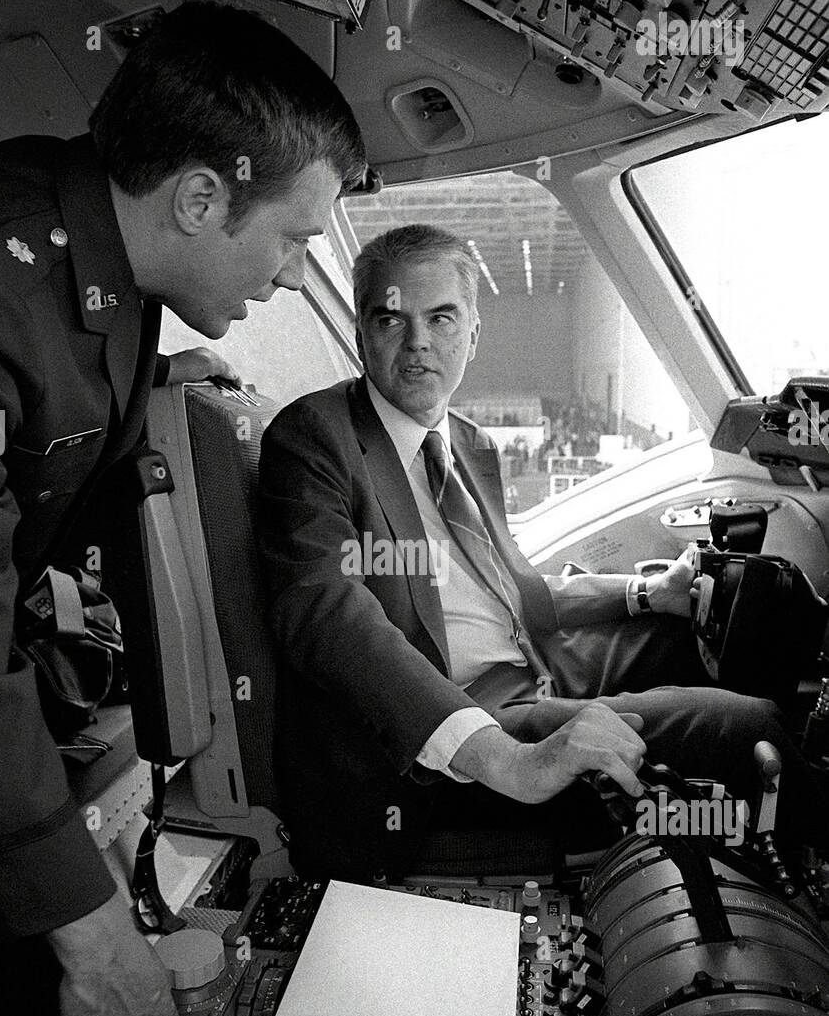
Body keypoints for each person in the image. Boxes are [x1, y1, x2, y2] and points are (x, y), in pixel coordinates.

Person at [0, 0, 366, 1016]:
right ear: (199, 199)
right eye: (291, 240)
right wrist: (89, 930)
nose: (296, 279)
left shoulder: (122, 279)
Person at [258, 224, 826, 880]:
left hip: (532, 664)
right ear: (361, 333)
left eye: (441, 318)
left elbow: (519, 590)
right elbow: (324, 609)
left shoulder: (468, 442)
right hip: (453, 720)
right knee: (739, 726)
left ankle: (764, 834)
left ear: (472, 334)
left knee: (712, 637)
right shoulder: (314, 437)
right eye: (390, 319)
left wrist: (646, 593)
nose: (417, 343)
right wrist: (501, 756)